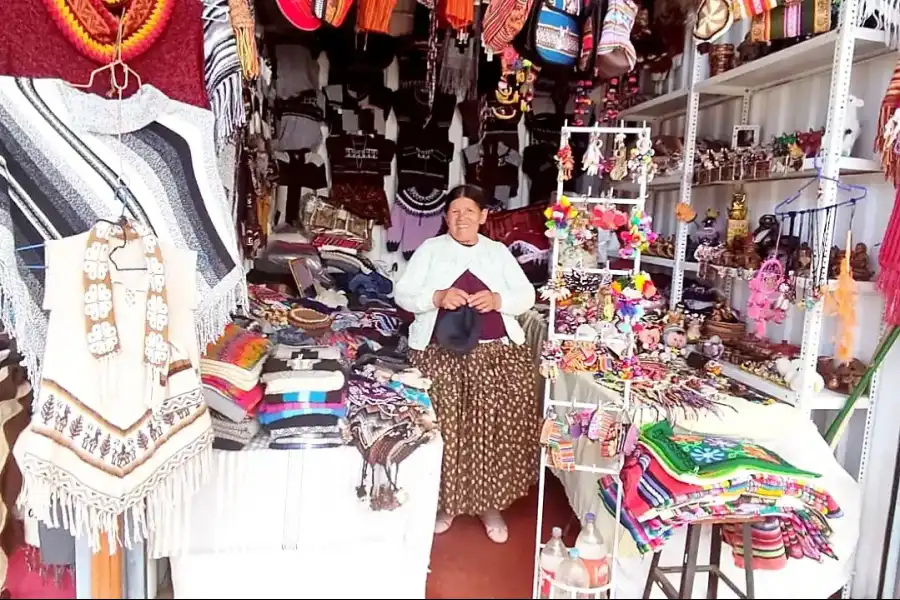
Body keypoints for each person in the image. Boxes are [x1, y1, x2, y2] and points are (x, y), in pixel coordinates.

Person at [394, 184, 540, 544]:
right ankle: (448, 505)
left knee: (491, 432)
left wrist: (498, 299)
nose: (462, 218)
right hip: (441, 358)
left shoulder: (498, 253)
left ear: (483, 216)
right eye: (455, 212)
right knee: (449, 432)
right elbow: (402, 292)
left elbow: (526, 296)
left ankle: (490, 507)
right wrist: (437, 297)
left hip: (496, 357)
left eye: (469, 211)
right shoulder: (431, 250)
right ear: (446, 217)